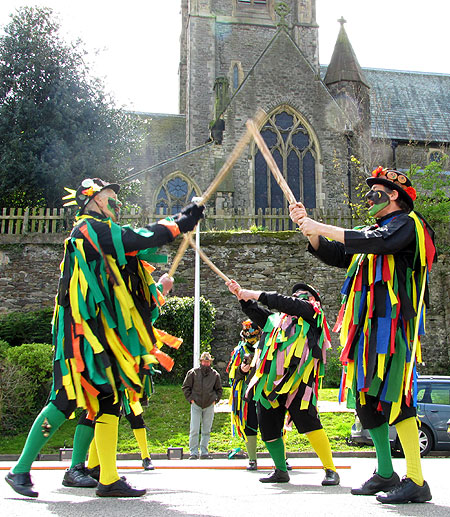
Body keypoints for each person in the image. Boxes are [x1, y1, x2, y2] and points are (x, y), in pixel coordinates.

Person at [5, 177, 204, 499]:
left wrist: (183, 223)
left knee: (110, 397)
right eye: (111, 197)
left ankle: (108, 479)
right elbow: (132, 238)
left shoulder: (101, 233)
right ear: (94, 200)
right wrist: (182, 220)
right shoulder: (88, 229)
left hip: (102, 336)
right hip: (80, 337)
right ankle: (20, 469)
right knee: (65, 398)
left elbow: (139, 250)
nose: (118, 202)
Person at [289, 167, 436, 504]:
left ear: (394, 194)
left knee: (396, 397)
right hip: (366, 329)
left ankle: (416, 479)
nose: (368, 196)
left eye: (375, 191)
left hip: (396, 326)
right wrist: (308, 229)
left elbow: (380, 243)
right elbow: (338, 253)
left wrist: (320, 225)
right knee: (366, 399)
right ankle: (386, 472)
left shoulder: (408, 226)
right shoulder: (370, 231)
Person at [227, 279, 340, 486]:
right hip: (271, 382)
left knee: (309, 422)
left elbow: (286, 303)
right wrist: (241, 297)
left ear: (313, 301)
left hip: (299, 381)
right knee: (267, 423)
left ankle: (330, 470)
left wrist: (253, 292)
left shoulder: (312, 314)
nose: (299, 296)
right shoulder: (276, 321)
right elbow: (257, 314)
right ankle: (280, 469)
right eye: (296, 294)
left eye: (304, 295)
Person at [227, 319, 262, 470]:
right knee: (250, 425)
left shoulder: (269, 348)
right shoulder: (239, 351)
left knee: (275, 425)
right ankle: (252, 459)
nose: (250, 339)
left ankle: (282, 459)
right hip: (248, 395)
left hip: (266, 393)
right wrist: (241, 370)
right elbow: (232, 376)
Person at [182, 351, 223, 459]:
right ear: (201, 361)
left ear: (210, 362)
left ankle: (204, 452)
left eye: (208, 361)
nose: (206, 363)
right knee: (194, 429)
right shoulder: (193, 373)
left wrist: (215, 400)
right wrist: (191, 399)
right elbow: (186, 387)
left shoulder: (215, 375)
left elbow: (219, 390)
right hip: (196, 404)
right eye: (204, 361)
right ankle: (193, 452)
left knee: (206, 430)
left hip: (209, 404)